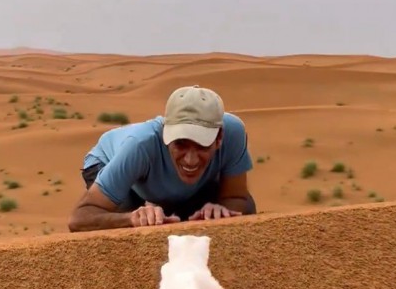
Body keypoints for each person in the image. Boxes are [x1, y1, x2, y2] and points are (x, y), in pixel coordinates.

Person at [68, 85, 257, 231]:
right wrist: (130, 218)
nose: (190, 159)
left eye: (202, 145)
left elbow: (237, 198)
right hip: (109, 161)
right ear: (166, 136)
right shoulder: (140, 145)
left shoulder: (234, 132)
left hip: (167, 183)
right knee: (136, 232)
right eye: (180, 144)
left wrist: (219, 208)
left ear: (219, 138)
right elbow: (81, 217)